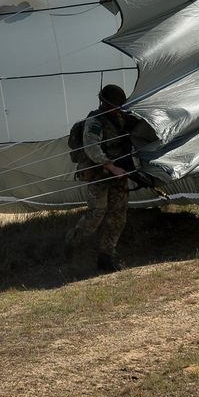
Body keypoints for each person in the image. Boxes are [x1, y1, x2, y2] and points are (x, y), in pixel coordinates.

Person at [66, 84, 134, 273]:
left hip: (118, 174)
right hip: (100, 175)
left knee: (118, 217)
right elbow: (92, 149)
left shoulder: (121, 118)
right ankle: (72, 243)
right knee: (96, 215)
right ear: (105, 103)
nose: (118, 108)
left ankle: (106, 257)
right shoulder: (95, 122)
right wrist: (111, 167)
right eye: (115, 105)